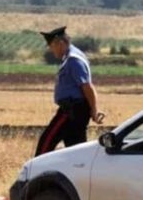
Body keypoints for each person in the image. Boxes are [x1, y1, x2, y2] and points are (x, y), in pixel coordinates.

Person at [36, 26, 105, 156]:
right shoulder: (73, 56)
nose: (51, 50)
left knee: (46, 143)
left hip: (71, 110)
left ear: (60, 43)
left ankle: (35, 173)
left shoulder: (73, 60)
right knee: (75, 152)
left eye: (51, 46)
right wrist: (92, 108)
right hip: (76, 110)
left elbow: (87, 86)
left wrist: (94, 109)